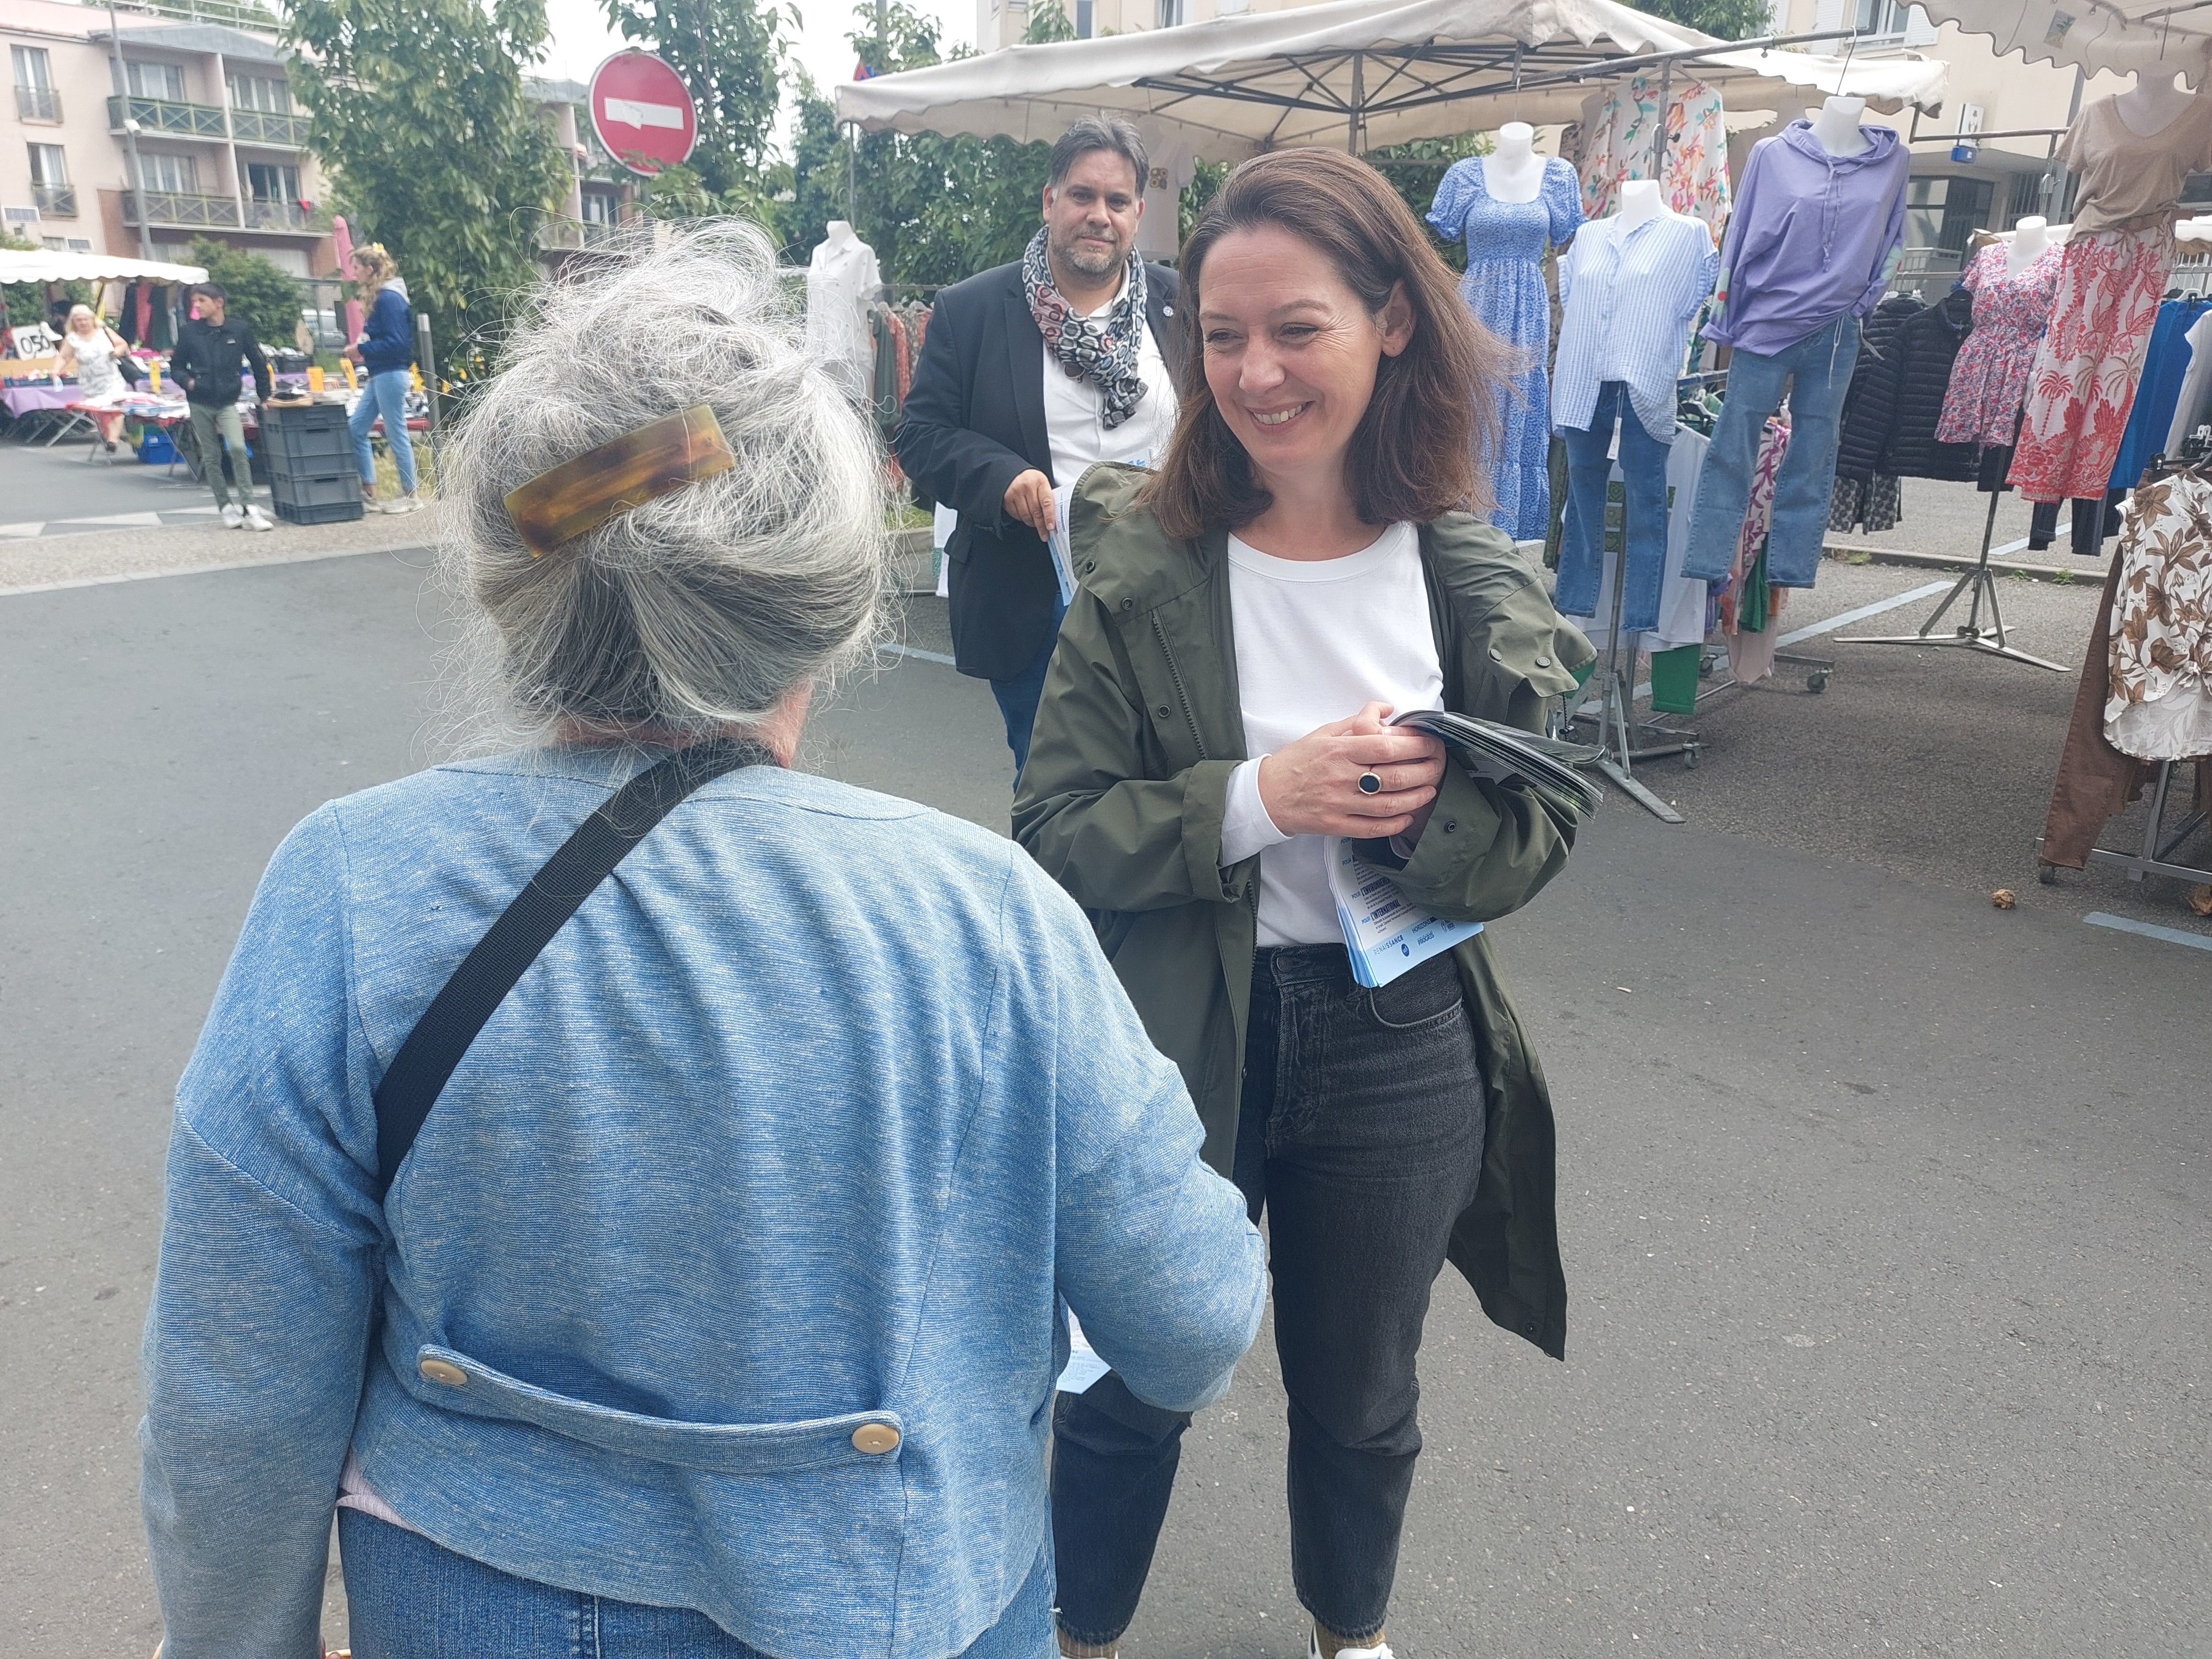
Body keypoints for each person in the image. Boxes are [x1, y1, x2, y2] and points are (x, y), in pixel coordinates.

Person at [138, 221, 1265, 1659]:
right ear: (827, 606)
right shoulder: (988, 921)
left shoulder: (353, 891)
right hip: (913, 1600)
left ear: (515, 582)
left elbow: (232, 1396)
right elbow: (1187, 1317)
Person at [1013, 150, 1594, 1659]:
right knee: (1132, 1375)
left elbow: (1542, 816)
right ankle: (1075, 1634)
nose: (1254, 372)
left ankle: (1348, 1631)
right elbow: (1053, 827)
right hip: (1176, 1036)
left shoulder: (1460, 567)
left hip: (1396, 1030)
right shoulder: (1142, 550)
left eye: (1296, 328)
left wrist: (1431, 824)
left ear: (1391, 320)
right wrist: (1260, 799)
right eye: (1219, 334)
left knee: (1359, 1389)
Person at [896, 117, 1186, 777]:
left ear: (1139, 214)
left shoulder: (1177, 302)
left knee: (1165, 773)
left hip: (1168, 585)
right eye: (1082, 196)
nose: (1099, 216)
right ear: (1049, 201)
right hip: (1039, 596)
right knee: (1055, 783)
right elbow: (920, 436)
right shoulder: (973, 310)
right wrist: (1001, 477)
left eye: (1117, 202)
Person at [170, 282, 273, 531]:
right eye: (195, 302)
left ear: (219, 302)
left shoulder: (239, 329)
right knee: (211, 455)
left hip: (228, 401)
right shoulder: (189, 332)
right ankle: (225, 507)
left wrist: (264, 396)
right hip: (199, 401)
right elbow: (176, 367)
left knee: (238, 448)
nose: (196, 306)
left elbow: (259, 362)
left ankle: (250, 507)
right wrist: (189, 382)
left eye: (202, 301)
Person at [343, 242, 422, 514]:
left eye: (356, 267)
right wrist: (363, 347)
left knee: (395, 430)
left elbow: (397, 343)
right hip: (382, 373)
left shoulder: (388, 299)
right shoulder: (385, 297)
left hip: (390, 372)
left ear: (370, 268)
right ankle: (370, 492)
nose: (354, 273)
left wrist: (361, 349)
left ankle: (411, 495)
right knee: (357, 428)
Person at [55, 303, 130, 452]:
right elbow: (64, 357)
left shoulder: (104, 331)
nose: (83, 323)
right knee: (101, 411)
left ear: (92, 319)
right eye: (79, 320)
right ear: (73, 322)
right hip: (90, 382)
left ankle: (113, 441)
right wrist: (55, 371)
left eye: (86, 319)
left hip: (111, 379)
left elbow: (123, 344)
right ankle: (108, 436)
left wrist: (117, 351)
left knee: (116, 408)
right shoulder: (72, 339)